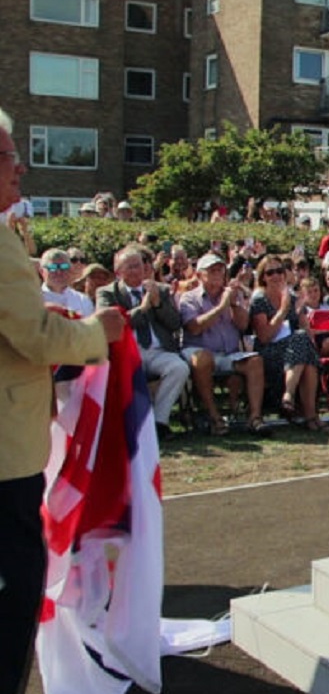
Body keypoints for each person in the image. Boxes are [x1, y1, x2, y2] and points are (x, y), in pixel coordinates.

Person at [0, 109, 124, 694]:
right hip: (6, 451)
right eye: (8, 156)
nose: (20, 166)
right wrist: (99, 331)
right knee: (15, 588)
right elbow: (37, 339)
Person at [97, 246, 191, 439]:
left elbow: (175, 324)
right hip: (128, 351)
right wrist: (143, 307)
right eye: (130, 267)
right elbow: (112, 324)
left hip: (158, 351)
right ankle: (130, 423)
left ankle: (159, 422)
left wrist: (157, 304)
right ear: (118, 272)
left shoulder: (161, 290)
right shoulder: (107, 293)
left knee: (179, 368)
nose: (136, 271)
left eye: (139, 265)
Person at [180, 253, 270, 435]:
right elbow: (195, 328)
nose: (217, 275)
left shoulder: (231, 296)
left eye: (220, 270)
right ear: (199, 276)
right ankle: (214, 416)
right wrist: (221, 307)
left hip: (228, 354)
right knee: (202, 359)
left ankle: (255, 418)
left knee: (255, 361)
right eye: (212, 271)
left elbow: (244, 325)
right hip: (200, 351)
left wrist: (234, 304)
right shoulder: (189, 298)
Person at [250, 255, 326, 431]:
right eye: (270, 273)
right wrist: (283, 310)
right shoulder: (259, 300)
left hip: (295, 352)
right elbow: (264, 337)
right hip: (270, 353)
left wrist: (300, 313)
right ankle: (297, 402)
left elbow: (304, 329)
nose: (276, 276)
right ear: (263, 277)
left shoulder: (291, 297)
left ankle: (306, 413)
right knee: (302, 346)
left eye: (279, 271)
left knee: (305, 349)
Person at [39, 248, 95, 317]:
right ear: (42, 271)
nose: (59, 272)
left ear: (70, 270)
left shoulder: (83, 301)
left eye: (64, 267)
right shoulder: (33, 299)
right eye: (53, 267)